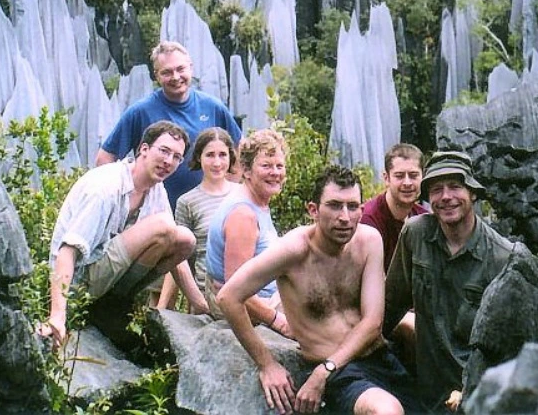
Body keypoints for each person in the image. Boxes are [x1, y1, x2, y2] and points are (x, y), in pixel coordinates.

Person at [217, 165, 421, 415]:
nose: (345, 217)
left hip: (380, 358)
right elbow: (228, 296)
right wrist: (267, 364)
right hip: (340, 374)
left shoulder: (369, 241)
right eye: (334, 205)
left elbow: (372, 322)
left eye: (353, 206)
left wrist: (325, 370)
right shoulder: (293, 250)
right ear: (313, 210)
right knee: (386, 411)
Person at [40, 121, 208, 350]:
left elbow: (174, 247)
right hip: (79, 281)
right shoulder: (105, 187)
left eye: (177, 157)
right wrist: (57, 315)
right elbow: (67, 251)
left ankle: (116, 303)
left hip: (108, 278)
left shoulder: (156, 190)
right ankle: (102, 306)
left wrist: (200, 305)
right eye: (164, 151)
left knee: (184, 239)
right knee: (164, 225)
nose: (169, 161)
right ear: (144, 149)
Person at [384, 151, 515, 413]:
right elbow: (390, 306)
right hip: (426, 393)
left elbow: (509, 346)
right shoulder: (416, 234)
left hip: (478, 397)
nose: (446, 197)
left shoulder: (502, 256)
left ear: (472, 193)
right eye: (436, 189)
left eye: (455, 186)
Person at [95, 41, 242, 209]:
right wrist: (121, 202)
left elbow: (240, 148)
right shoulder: (140, 112)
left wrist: (227, 192)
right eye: (167, 72)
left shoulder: (213, 107)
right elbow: (105, 159)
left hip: (204, 213)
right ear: (156, 75)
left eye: (180, 69)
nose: (176, 77)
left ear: (190, 68)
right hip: (152, 213)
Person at [205, 128, 289, 335]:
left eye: (280, 166)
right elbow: (234, 291)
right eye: (266, 166)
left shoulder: (257, 201)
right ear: (247, 170)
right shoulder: (243, 215)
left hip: (268, 295)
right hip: (256, 308)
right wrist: (278, 321)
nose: (275, 173)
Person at [156, 127, 239, 310]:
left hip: (244, 296)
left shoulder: (244, 195)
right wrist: (163, 307)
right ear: (199, 157)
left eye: (222, 155)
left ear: (231, 158)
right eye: (210, 155)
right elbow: (177, 258)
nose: (217, 162)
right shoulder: (187, 202)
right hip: (206, 301)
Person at [360, 143, 429, 272]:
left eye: (413, 175)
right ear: (386, 178)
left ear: (423, 177)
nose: (407, 183)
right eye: (399, 176)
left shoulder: (424, 218)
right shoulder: (369, 220)